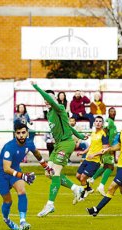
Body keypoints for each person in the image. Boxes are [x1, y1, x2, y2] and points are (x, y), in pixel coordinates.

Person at [31, 81, 88, 217]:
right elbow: (68, 126)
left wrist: (37, 87)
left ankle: (50, 204)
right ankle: (76, 188)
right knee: (49, 174)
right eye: (45, 98)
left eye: (48, 97)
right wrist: (79, 135)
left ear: (54, 99)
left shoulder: (59, 108)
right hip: (58, 145)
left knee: (55, 172)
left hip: (66, 144)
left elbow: (51, 99)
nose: (46, 99)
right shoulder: (50, 112)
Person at [0, 123, 54, 230]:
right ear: (15, 134)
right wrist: (23, 176)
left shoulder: (29, 143)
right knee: (8, 201)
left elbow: (37, 154)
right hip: (1, 174)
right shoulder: (9, 147)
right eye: (18, 133)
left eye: (23, 132)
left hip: (15, 169)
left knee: (22, 191)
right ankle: (6, 219)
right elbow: (6, 168)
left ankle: (23, 221)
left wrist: (46, 167)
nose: (21, 135)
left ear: (27, 133)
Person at [87, 107, 118, 196]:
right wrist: (107, 144)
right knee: (110, 167)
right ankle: (100, 186)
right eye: (111, 111)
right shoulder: (108, 121)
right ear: (108, 113)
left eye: (114, 112)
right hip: (107, 146)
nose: (113, 113)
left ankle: (91, 180)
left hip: (110, 146)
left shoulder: (112, 122)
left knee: (106, 166)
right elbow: (104, 131)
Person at [75, 116, 109, 197]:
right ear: (94, 123)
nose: (98, 123)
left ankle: (82, 195)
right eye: (96, 121)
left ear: (102, 124)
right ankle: (88, 189)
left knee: (83, 177)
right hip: (87, 158)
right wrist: (83, 152)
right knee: (78, 176)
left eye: (100, 121)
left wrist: (94, 154)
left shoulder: (103, 135)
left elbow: (104, 150)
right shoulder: (93, 133)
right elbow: (91, 146)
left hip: (95, 161)